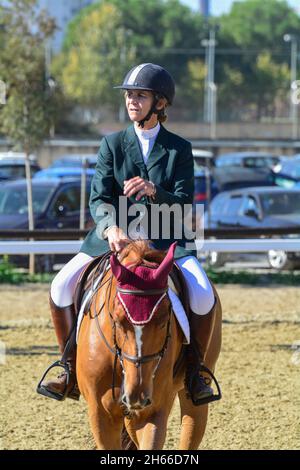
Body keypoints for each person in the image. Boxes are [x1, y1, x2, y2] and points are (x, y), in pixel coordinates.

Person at [38, 63, 217, 405]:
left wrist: (153, 190)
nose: (132, 101)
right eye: (129, 95)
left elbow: (182, 201)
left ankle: (196, 372)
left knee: (203, 292)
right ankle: (68, 367)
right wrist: (111, 228)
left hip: (166, 240)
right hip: (114, 238)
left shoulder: (179, 149)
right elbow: (99, 197)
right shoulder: (112, 144)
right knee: (60, 285)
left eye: (140, 95)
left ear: (160, 103)